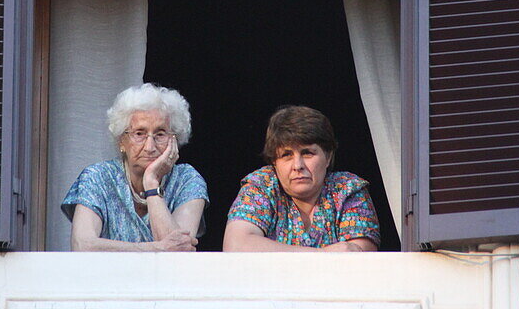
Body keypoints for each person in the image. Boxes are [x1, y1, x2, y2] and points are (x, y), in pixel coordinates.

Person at [63, 84, 208, 251]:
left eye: (160, 134)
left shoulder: (187, 180)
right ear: (121, 142)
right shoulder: (97, 177)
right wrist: (154, 248)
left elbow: (177, 255)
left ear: (174, 139)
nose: (150, 147)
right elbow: (83, 246)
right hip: (106, 276)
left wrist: (151, 183)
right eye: (139, 133)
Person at [223, 105, 380, 252]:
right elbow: (236, 245)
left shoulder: (347, 189)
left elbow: (358, 258)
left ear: (328, 156)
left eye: (307, 153)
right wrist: (321, 255)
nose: (297, 165)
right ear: (274, 163)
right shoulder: (262, 185)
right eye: (286, 155)